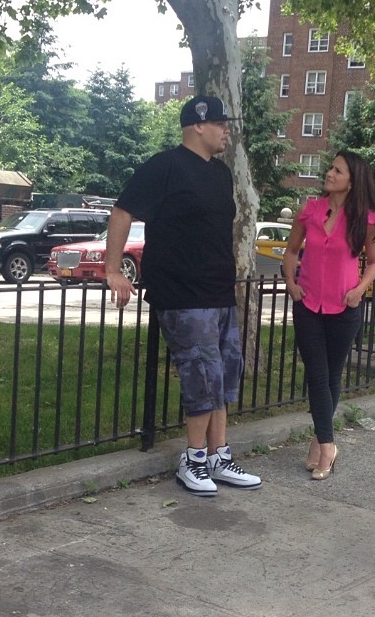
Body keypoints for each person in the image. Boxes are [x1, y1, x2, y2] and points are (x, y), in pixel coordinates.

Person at [105, 94, 261, 497]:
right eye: (221, 124)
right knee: (202, 375)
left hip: (219, 292)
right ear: (198, 125)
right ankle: (191, 459)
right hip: (181, 293)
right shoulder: (164, 167)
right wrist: (112, 269)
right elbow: (122, 212)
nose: (227, 130)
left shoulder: (221, 174)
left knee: (224, 374)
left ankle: (217, 457)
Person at [283, 151, 375, 480]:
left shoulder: (366, 220)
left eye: (337, 170)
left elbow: (374, 262)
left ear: (352, 180)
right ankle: (328, 446)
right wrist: (291, 283)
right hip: (308, 305)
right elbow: (292, 251)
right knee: (316, 373)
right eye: (330, 168)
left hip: (345, 307)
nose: (329, 173)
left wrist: (360, 289)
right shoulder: (310, 210)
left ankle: (316, 439)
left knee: (331, 376)